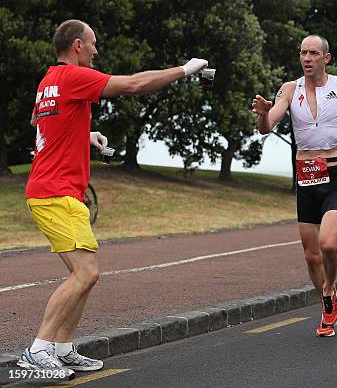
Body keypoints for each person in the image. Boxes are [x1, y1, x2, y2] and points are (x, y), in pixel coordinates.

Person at [19, 19, 208, 376]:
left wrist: (84, 134)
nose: (96, 50)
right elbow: (134, 85)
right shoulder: (74, 77)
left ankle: (62, 348)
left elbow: (37, 120)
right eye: (92, 44)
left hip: (56, 192)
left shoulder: (49, 81)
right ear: (77, 45)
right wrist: (185, 70)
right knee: (85, 273)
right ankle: (37, 351)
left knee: (85, 274)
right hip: (55, 193)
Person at [252, 35, 337, 337]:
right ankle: (327, 300)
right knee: (311, 255)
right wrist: (263, 113)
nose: (306, 58)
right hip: (306, 177)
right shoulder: (289, 90)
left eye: (313, 53)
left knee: (328, 243)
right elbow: (266, 127)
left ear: (326, 58)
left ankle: (330, 284)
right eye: (302, 53)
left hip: (336, 173)